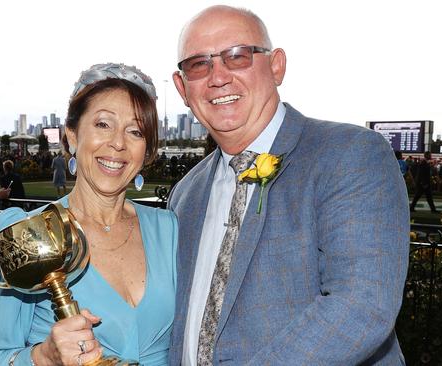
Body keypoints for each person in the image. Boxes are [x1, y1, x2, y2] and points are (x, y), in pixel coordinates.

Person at [167, 6, 410, 365]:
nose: (218, 77)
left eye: (238, 56)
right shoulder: (185, 193)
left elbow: (361, 305)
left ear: (276, 66)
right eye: (198, 65)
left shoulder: (349, 154)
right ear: (182, 88)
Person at [0, 63, 177, 366]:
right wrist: (43, 357)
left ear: (147, 151)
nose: (118, 143)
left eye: (135, 131)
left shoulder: (169, 229)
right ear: (72, 135)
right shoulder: (25, 233)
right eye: (103, 125)